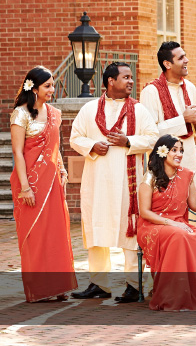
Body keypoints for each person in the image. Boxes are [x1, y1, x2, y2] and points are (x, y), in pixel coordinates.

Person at [70, 62, 159, 302]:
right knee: (96, 231)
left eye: (131, 77)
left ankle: (135, 284)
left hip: (126, 185)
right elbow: (75, 137)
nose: (131, 81)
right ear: (111, 81)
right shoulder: (89, 109)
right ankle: (99, 284)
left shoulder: (139, 110)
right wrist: (92, 145)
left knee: (128, 232)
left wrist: (128, 141)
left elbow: (153, 139)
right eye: (126, 77)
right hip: (97, 182)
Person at [137, 135, 196, 311]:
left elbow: (195, 205)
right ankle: (171, 297)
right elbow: (144, 212)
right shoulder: (150, 178)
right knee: (179, 236)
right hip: (153, 225)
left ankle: (190, 294)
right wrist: (171, 223)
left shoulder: (186, 175)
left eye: (181, 150)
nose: (179, 154)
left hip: (178, 224)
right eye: (174, 150)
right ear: (162, 152)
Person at [9, 67, 77, 302]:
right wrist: (25, 187)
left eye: (52, 84)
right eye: (47, 85)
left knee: (56, 233)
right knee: (35, 235)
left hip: (53, 182)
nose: (52, 89)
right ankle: (39, 289)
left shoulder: (54, 114)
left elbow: (55, 147)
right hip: (30, 182)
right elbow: (18, 152)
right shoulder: (21, 114)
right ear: (33, 88)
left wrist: (62, 168)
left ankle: (58, 287)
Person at [140, 41, 196, 190]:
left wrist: (194, 121)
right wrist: (183, 119)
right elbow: (150, 134)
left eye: (185, 56)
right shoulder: (151, 91)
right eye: (181, 58)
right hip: (164, 164)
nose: (186, 60)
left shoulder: (190, 88)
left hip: (190, 158)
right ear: (167, 64)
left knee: (193, 207)